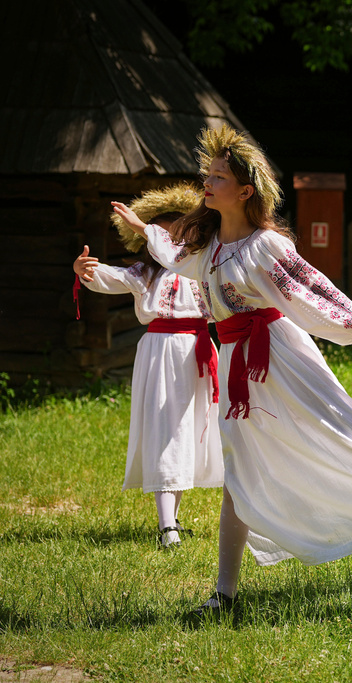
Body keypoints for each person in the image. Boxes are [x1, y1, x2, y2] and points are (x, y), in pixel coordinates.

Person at [114, 124, 352, 616]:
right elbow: (172, 255)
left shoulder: (264, 245)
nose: (207, 182)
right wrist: (145, 231)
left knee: (349, 431)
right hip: (236, 367)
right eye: (208, 174)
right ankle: (224, 595)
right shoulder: (206, 247)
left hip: (280, 357)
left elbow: (312, 290)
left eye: (218, 176)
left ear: (245, 191)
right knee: (238, 473)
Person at [73, 183, 223, 549]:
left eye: (181, 231)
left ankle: (172, 518)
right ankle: (166, 525)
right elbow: (110, 278)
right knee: (165, 428)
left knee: (188, 430)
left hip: (199, 352)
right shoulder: (146, 274)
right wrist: (85, 271)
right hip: (163, 351)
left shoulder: (204, 266)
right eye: (164, 233)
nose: (173, 240)